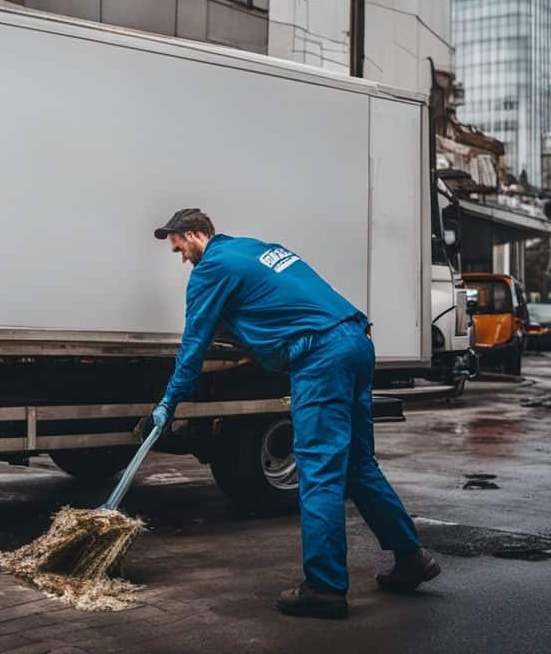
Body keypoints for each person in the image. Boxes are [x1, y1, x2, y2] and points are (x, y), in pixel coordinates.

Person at [149, 208, 439, 620]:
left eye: (179, 247)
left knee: (319, 467)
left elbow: (192, 347)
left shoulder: (210, 267)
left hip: (321, 355)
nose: (181, 258)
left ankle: (324, 587)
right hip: (355, 339)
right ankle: (411, 558)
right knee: (358, 462)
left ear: (194, 235)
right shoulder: (248, 249)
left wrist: (169, 402)